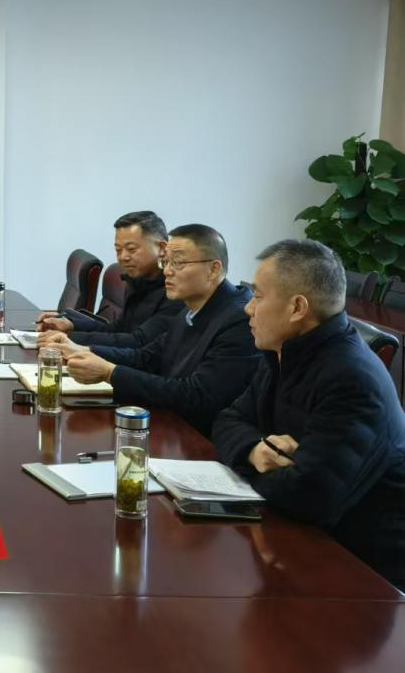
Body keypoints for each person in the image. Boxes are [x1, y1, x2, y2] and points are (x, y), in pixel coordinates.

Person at [214, 239, 405, 591]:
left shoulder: (351, 379)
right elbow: (227, 419)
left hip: (362, 576)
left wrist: (247, 464)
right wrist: (256, 451)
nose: (248, 309)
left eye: (258, 296)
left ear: (297, 308)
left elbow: (309, 497)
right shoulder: (285, 352)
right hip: (301, 542)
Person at [43, 223, 261, 436]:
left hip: (201, 441)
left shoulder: (239, 320)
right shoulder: (191, 308)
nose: (167, 271)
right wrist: (84, 351)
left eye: (178, 263)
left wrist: (110, 372)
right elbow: (147, 357)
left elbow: (196, 395)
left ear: (213, 269)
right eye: (166, 262)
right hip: (171, 428)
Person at [37, 210, 181, 347]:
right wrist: (71, 324)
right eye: (118, 250)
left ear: (162, 248)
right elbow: (117, 329)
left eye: (131, 249)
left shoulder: (175, 291)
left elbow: (139, 341)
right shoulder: (138, 280)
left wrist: (69, 338)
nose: (123, 257)